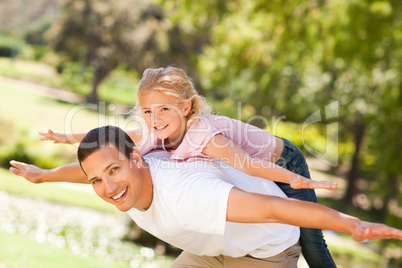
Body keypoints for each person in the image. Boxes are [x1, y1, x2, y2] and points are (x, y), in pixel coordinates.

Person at [37, 67, 336, 267]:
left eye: (164, 108)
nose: (155, 118)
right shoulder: (157, 130)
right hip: (253, 175)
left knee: (312, 241)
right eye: (148, 111)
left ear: (185, 107)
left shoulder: (203, 135)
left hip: (280, 161)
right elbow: (112, 141)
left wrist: (297, 180)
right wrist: (65, 138)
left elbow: (251, 166)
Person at [12, 126, 402, 268]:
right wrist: (44, 176)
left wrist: (350, 223)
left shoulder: (187, 194)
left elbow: (275, 208)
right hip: (212, 250)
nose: (108, 188)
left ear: (136, 158)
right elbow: (88, 173)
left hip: (264, 253)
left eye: (114, 171)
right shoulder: (127, 171)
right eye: (98, 180)